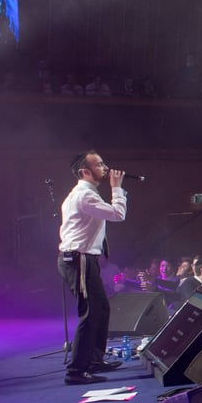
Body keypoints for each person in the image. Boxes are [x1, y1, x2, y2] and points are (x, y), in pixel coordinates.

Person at [57, 151, 127, 385]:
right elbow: (118, 214)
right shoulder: (84, 196)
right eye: (99, 164)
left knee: (102, 309)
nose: (106, 168)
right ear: (85, 171)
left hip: (85, 259)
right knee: (90, 312)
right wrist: (116, 188)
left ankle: (95, 360)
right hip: (79, 259)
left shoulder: (86, 194)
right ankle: (76, 371)